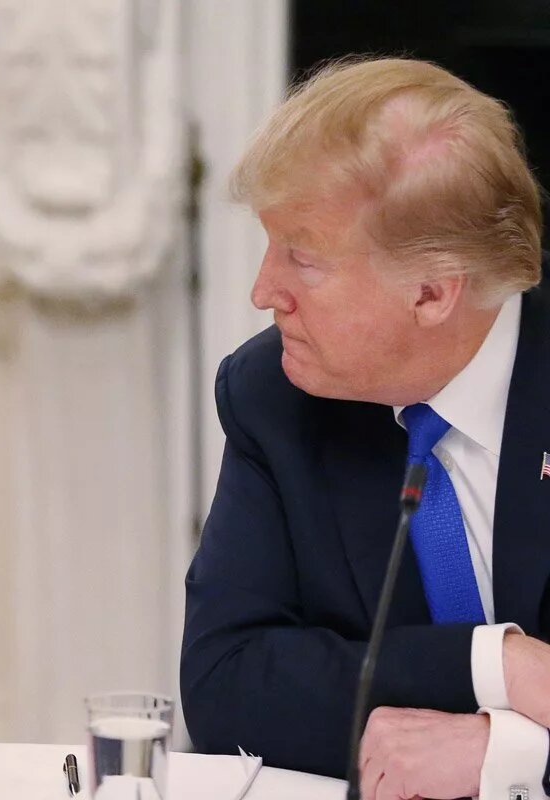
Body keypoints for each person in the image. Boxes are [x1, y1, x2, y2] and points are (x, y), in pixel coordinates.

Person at [181, 56, 550, 800]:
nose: (263, 291)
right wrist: (497, 665)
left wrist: (510, 755)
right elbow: (227, 681)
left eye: (302, 258)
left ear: (431, 293)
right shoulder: (275, 395)